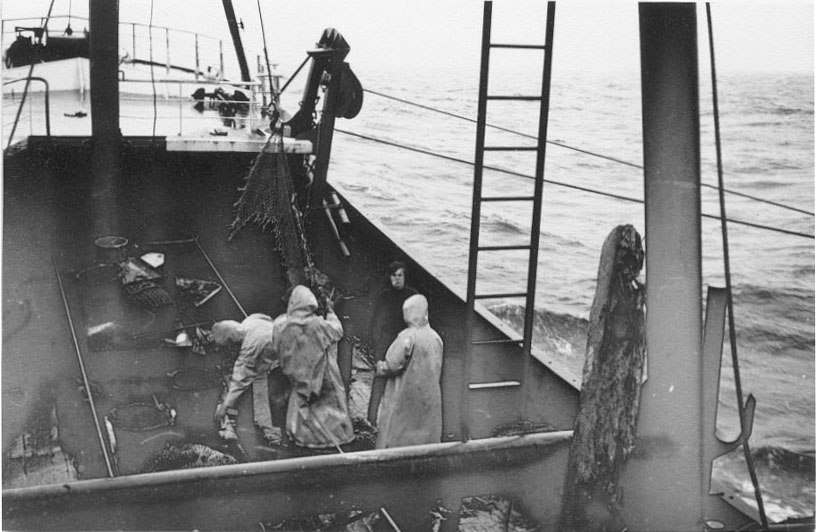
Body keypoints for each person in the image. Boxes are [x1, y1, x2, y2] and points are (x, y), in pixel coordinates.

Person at [273, 285, 354, 449]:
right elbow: (337, 331)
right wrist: (330, 311)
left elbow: (276, 345)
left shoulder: (281, 325)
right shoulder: (317, 324)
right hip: (321, 374)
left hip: (297, 375)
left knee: (301, 408)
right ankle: (332, 440)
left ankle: (303, 440)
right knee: (328, 408)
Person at [375, 294, 443, 449]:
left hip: (405, 392)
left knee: (398, 427)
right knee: (425, 427)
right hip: (427, 392)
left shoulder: (408, 337)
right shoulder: (436, 338)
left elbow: (393, 364)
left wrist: (380, 367)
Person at [212, 314, 283, 444]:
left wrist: (224, 406)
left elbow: (239, 381)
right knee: (260, 380)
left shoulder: (250, 347)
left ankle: (279, 434)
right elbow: (266, 318)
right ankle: (267, 428)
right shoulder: (250, 321)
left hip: (288, 351)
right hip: (276, 343)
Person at [367, 261, 417, 424]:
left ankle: (400, 421)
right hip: (386, 341)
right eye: (394, 276)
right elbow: (376, 323)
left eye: (400, 275)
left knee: (403, 381)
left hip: (404, 342)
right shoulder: (384, 296)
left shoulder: (412, 296)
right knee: (380, 378)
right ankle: (371, 417)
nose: (397, 279)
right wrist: (377, 351)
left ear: (405, 277)